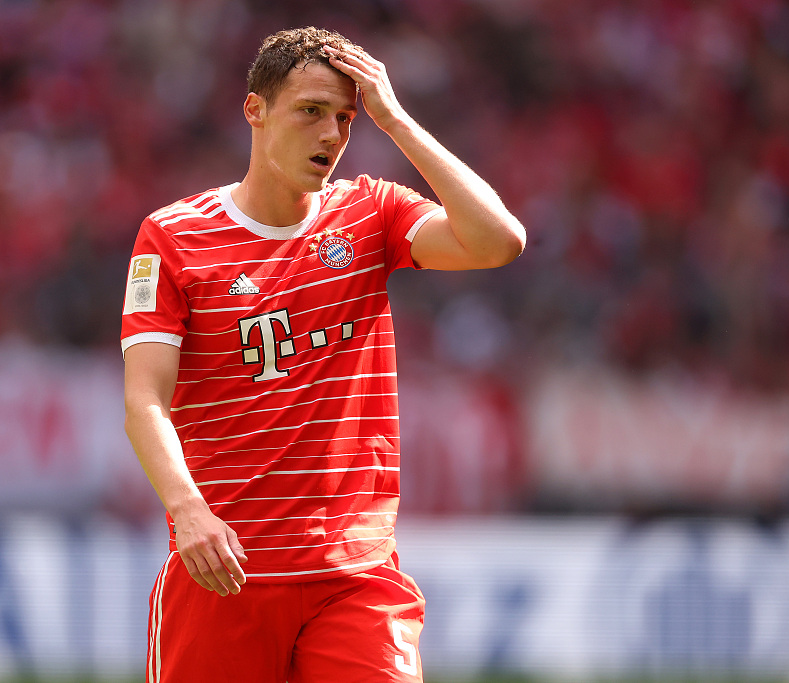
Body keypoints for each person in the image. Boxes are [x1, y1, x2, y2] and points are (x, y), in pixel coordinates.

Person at [121, 26, 526, 683]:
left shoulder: (371, 213)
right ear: (255, 111)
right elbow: (144, 399)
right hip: (225, 569)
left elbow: (499, 240)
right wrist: (186, 506)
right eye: (310, 111)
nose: (332, 135)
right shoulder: (173, 236)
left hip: (354, 575)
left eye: (343, 118)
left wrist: (394, 121)